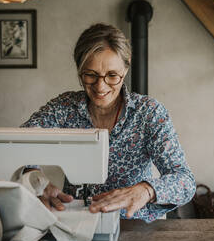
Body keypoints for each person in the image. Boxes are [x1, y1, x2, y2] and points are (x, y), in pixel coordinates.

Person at [21, 23, 195, 222]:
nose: (100, 86)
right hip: (77, 222)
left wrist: (146, 190)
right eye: (90, 75)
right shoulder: (65, 107)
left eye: (112, 75)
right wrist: (33, 175)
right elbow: (21, 141)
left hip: (134, 225)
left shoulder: (149, 113)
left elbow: (185, 181)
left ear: (126, 68)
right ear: (79, 70)